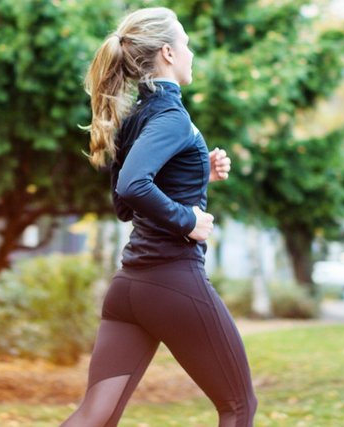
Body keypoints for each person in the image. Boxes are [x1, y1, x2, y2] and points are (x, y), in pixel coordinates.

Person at [61, 7, 257, 427]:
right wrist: (188, 219)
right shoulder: (171, 116)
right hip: (172, 282)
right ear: (168, 52)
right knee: (239, 407)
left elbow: (123, 204)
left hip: (130, 289)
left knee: (95, 415)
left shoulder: (136, 117)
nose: (191, 52)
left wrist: (197, 173)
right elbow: (132, 188)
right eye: (185, 43)